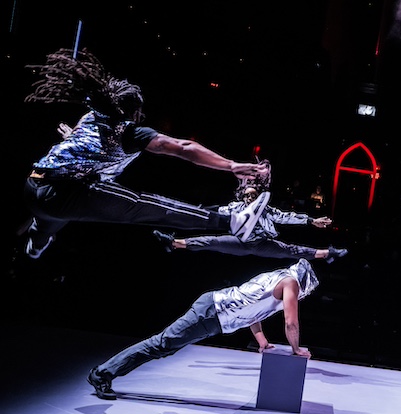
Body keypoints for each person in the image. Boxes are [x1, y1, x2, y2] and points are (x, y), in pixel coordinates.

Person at [22, 47, 269, 259]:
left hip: (34, 187)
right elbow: (184, 148)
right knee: (145, 205)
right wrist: (231, 165)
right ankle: (232, 222)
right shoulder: (130, 132)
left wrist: (70, 137)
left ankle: (36, 244)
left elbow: (83, 147)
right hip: (63, 194)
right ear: (134, 112)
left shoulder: (90, 117)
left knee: (53, 217)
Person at [87, 258, 318, 400]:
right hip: (211, 313)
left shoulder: (275, 278)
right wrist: (296, 349)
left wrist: (262, 341)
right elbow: (291, 322)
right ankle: (101, 374)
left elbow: (251, 310)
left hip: (213, 316)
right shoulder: (291, 284)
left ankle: (104, 373)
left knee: (165, 347)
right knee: (161, 344)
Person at [153, 185, 348, 263]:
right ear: (242, 196)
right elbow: (215, 210)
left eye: (253, 195)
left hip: (262, 244)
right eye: (247, 195)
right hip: (240, 242)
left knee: (291, 250)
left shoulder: (265, 209)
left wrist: (311, 221)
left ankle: (329, 253)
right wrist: (194, 209)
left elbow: (285, 216)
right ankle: (173, 242)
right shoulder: (236, 207)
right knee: (212, 241)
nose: (249, 198)